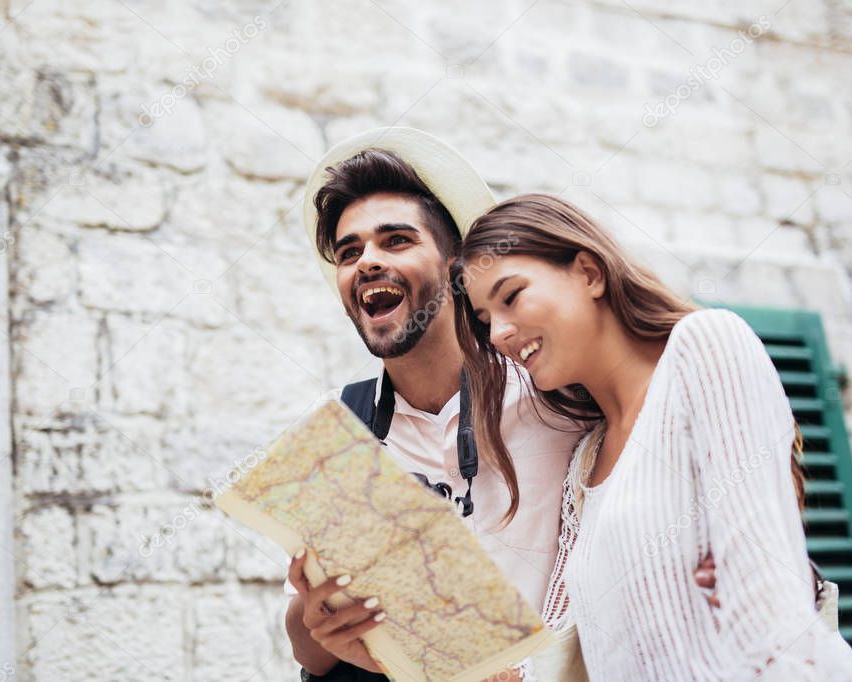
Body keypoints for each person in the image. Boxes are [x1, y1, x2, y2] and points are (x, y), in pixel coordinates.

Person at [284, 129, 734, 681]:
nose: (366, 262)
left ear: (456, 267)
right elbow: (307, 651)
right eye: (349, 252)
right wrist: (315, 622)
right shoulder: (336, 431)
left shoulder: (554, 384)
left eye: (395, 240)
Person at [452, 193, 852, 680]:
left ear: (589, 272)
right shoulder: (585, 463)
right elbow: (569, 650)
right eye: (484, 320)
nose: (498, 333)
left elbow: (773, 614)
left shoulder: (704, 347)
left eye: (512, 296)